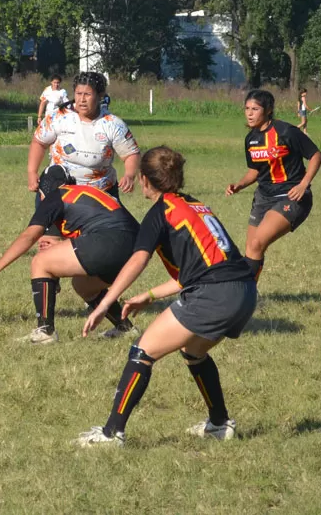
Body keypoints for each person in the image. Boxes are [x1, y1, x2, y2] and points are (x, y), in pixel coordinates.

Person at [77, 146, 257, 446]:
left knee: (142, 352)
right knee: (194, 352)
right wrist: (148, 295)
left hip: (214, 295)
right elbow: (198, 271)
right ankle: (219, 423)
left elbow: (137, 261)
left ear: (146, 180)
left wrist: (105, 304)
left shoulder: (160, 214)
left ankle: (112, 433)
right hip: (245, 291)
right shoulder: (195, 206)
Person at [0, 165, 140, 344]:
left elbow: (29, 236)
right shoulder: (85, 192)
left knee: (41, 262)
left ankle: (45, 331)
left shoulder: (55, 196)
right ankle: (125, 328)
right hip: (135, 249)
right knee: (84, 285)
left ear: (44, 189)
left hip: (108, 241)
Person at [27, 71, 140, 251]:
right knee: (48, 247)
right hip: (59, 190)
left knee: (98, 247)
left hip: (99, 192)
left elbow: (131, 154)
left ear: (100, 96)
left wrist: (129, 174)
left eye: (87, 94)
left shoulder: (112, 124)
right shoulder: (60, 117)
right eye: (79, 94)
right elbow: (39, 142)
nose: (82, 100)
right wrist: (32, 172)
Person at [225, 89, 321, 279]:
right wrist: (239, 185)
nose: (250, 113)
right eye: (247, 108)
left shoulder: (286, 131)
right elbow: (255, 171)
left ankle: (245, 294)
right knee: (251, 249)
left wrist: (304, 185)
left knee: (256, 244)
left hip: (291, 196)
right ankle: (248, 295)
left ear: (268, 110)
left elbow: (316, 155)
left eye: (255, 108)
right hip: (263, 197)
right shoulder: (251, 139)